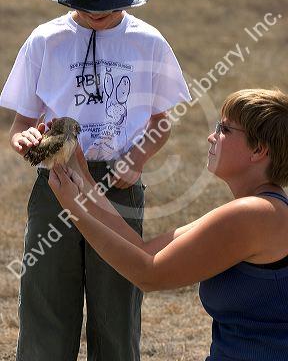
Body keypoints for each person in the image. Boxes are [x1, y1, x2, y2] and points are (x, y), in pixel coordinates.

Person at [0, 0, 191, 361]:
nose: (96, 14)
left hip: (116, 186)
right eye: (85, 5)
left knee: (116, 304)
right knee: (47, 298)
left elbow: (162, 122)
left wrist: (137, 159)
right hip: (59, 180)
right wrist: (26, 141)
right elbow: (20, 125)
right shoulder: (44, 41)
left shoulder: (148, 43)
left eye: (107, 5)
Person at [49, 88, 288, 361]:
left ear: (259, 149)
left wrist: (74, 210)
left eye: (224, 129)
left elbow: (148, 275)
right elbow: (145, 250)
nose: (212, 136)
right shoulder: (263, 208)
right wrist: (77, 167)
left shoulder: (254, 214)